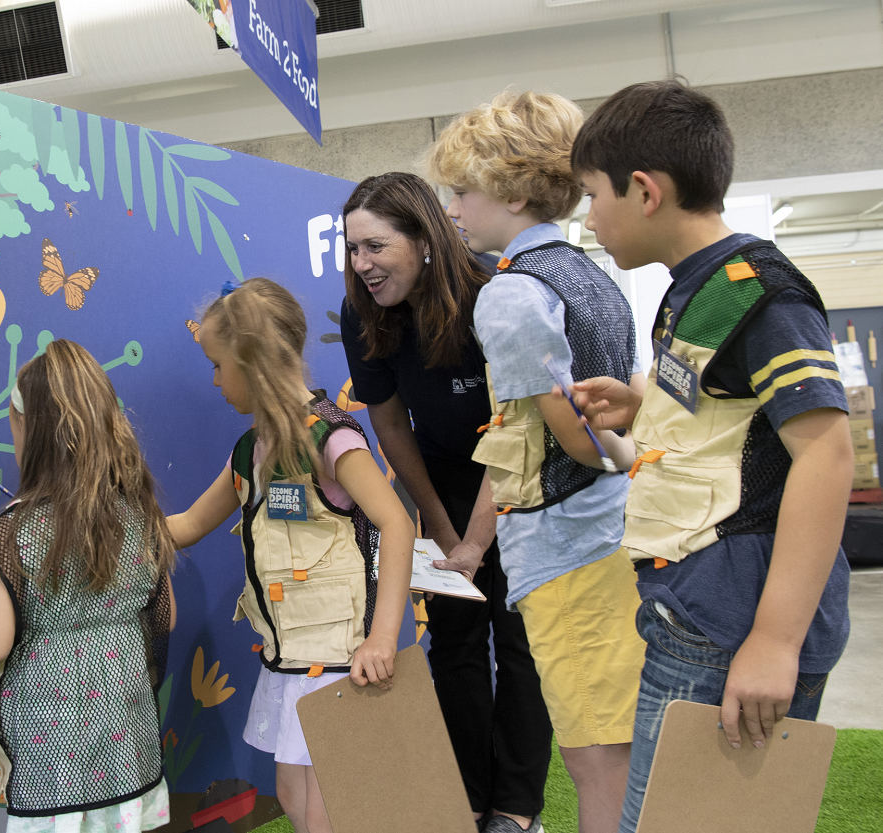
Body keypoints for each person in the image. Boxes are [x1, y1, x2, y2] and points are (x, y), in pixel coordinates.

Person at [567, 79, 853, 833]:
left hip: (731, 620)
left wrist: (775, 639)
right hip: (696, 603)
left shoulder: (759, 290)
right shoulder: (692, 289)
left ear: (644, 190)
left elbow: (825, 456)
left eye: (593, 195)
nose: (589, 218)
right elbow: (733, 413)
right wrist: (644, 401)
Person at [425, 90, 646, 833]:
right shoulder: (593, 275)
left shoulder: (512, 293)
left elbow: (573, 431)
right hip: (604, 533)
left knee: (593, 754)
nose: (452, 209)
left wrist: (617, 455)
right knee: (608, 737)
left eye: (462, 191)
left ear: (514, 191)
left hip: (565, 547)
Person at [338, 171, 553, 833]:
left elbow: (514, 425)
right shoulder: (361, 309)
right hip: (437, 478)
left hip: (518, 473)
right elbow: (391, 423)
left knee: (517, 642)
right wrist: (436, 520)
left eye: (374, 246)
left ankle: (516, 807)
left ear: (424, 237)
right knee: (455, 642)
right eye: (351, 249)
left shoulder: (493, 292)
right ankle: (469, 797)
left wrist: (477, 541)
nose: (361, 264)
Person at [0, 340, 178, 833]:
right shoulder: (139, 511)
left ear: (32, 432)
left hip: (55, 765)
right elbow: (165, 616)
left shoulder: (15, 530)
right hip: (129, 748)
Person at [166, 277, 415, 833]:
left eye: (217, 365)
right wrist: (107, 532)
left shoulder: (329, 437)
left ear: (251, 361)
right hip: (289, 658)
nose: (214, 381)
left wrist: (381, 638)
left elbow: (395, 522)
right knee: (295, 796)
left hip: (337, 660)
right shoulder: (250, 451)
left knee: (327, 806)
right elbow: (186, 526)